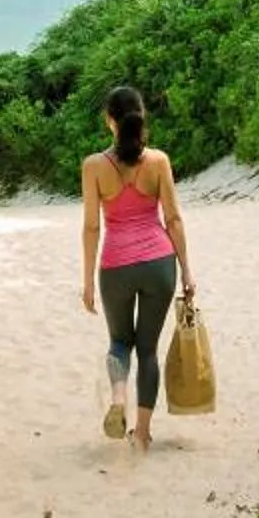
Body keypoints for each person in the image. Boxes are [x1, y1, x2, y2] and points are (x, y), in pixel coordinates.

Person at [80, 83, 194, 451]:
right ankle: (142, 434)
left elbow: (91, 227)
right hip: (160, 264)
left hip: (115, 265)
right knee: (147, 350)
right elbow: (173, 219)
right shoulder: (158, 161)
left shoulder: (94, 166)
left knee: (118, 342)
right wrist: (187, 271)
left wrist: (87, 281)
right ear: (142, 117)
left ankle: (117, 399)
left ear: (109, 121)